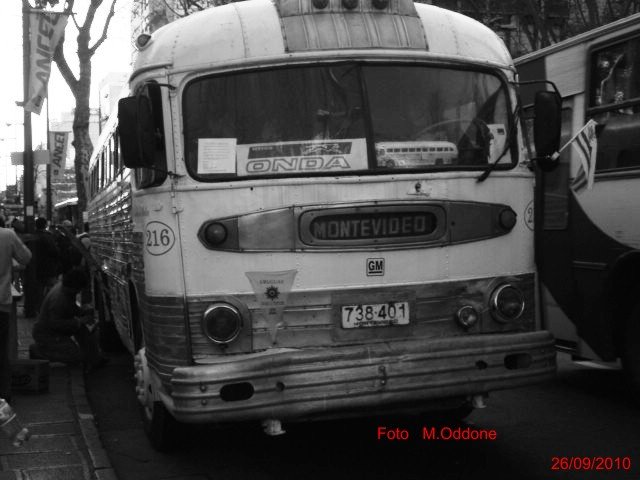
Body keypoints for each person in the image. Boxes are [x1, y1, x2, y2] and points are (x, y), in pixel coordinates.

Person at [31, 268, 106, 373]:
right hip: (47, 335)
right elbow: (55, 323)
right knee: (75, 356)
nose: (79, 292)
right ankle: (39, 351)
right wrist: (79, 321)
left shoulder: (66, 290)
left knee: (82, 330)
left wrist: (83, 312)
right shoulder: (58, 299)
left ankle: (95, 359)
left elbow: (71, 309)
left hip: (56, 330)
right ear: (73, 287)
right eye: (78, 289)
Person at [0, 220, 32, 401]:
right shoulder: (7, 235)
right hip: (1, 304)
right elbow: (26, 258)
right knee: (1, 352)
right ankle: (4, 394)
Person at [23, 218, 60, 317]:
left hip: (34, 269)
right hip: (48, 268)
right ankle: (47, 311)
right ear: (45, 225)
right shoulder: (48, 236)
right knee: (51, 290)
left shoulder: (31, 236)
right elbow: (55, 252)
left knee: (38, 291)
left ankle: (37, 310)